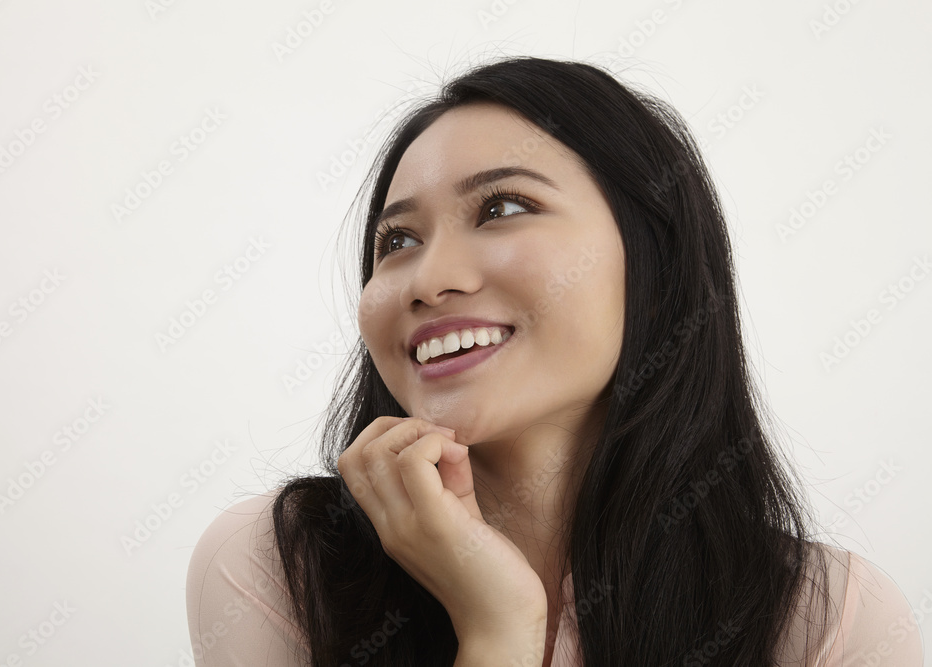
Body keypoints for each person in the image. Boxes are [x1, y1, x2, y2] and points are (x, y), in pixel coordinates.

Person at [185, 56, 923, 666]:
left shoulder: (829, 622)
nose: (428, 280)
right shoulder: (279, 567)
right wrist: (498, 628)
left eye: (502, 208)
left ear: (655, 264)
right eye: (398, 241)